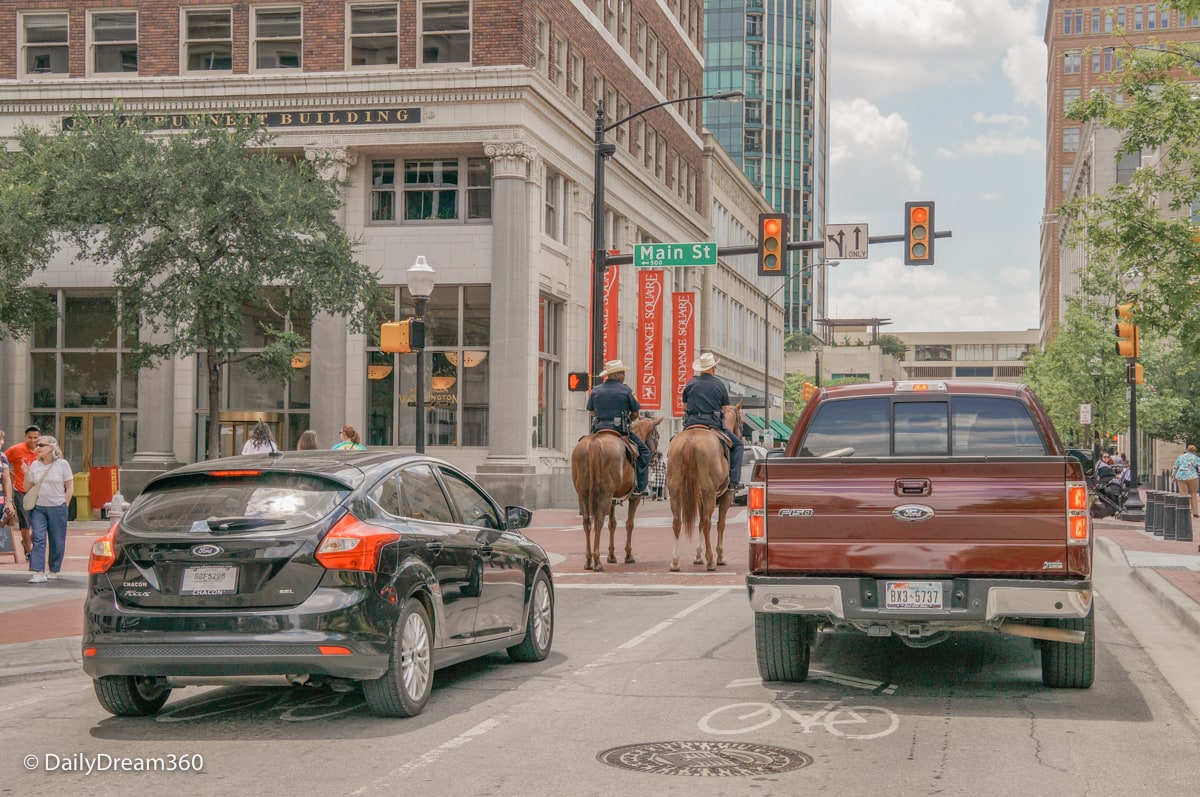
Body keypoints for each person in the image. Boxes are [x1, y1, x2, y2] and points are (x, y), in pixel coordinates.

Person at [585, 359, 649, 497]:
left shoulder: (596, 390)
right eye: (622, 373)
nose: (624, 375)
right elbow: (636, 413)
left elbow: (591, 411)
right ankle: (640, 487)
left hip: (599, 429)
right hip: (620, 430)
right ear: (616, 375)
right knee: (644, 451)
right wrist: (629, 420)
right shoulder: (626, 390)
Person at [682, 351, 744, 491]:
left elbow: (685, 407)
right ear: (712, 368)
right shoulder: (719, 385)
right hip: (713, 424)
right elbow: (724, 409)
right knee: (738, 446)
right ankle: (734, 481)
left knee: (675, 442)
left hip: (691, 423)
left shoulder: (690, 383)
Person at [25, 435, 72, 584]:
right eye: (37, 445)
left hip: (57, 507)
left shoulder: (62, 464)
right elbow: (28, 488)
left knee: (57, 540)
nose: (37, 448)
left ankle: (54, 569)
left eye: (41, 445)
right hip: (38, 508)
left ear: (51, 447)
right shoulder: (34, 465)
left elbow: (70, 487)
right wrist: (26, 472)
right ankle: (39, 572)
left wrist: (65, 504)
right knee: (38, 539)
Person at [5, 425, 40, 565]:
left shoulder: (42, 450)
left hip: (38, 492)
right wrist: (11, 476)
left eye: (35, 437)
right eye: (30, 437)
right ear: (25, 437)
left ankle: (26, 541)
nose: (33, 440)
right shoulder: (16, 450)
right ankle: (29, 552)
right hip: (21, 491)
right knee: (25, 523)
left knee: (39, 524)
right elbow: (3, 462)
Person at [1172, 444, 1200, 518]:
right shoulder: (1196, 458)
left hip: (1181, 476)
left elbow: (1175, 466)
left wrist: (1173, 476)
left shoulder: (1181, 457)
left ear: (1187, 450)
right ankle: (1195, 512)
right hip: (1192, 476)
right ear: (1194, 451)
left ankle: (1185, 510)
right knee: (1193, 493)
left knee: (1183, 493)